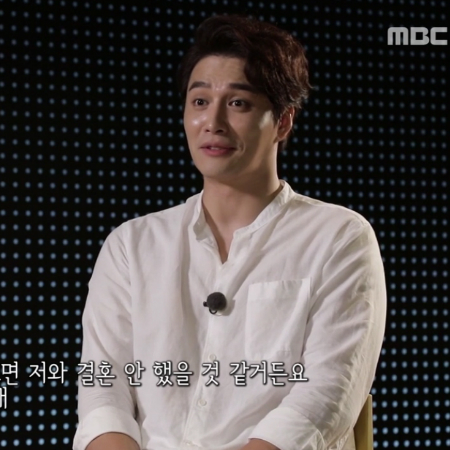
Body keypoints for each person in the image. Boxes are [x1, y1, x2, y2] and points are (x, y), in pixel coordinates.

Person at [73, 14, 386, 450]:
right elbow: (103, 389)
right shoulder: (131, 244)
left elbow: (324, 399)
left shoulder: (338, 237)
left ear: (283, 121)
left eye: (238, 103)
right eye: (200, 101)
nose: (213, 121)